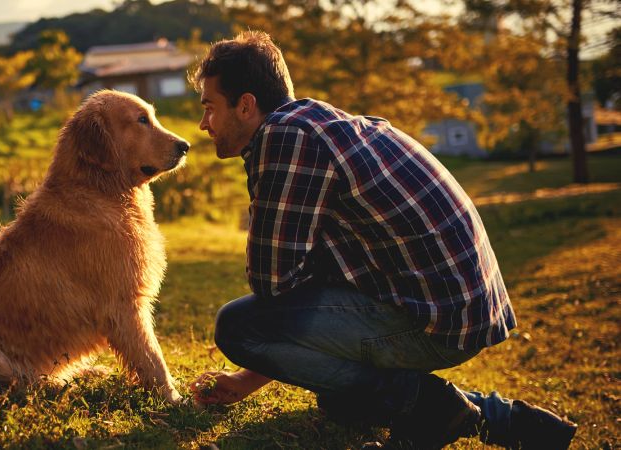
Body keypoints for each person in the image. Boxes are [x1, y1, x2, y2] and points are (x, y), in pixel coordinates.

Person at [187, 31, 577, 450]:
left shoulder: (286, 138)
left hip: (435, 322)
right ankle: (508, 422)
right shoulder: (322, 124)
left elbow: (272, 285)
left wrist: (252, 360)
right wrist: (248, 380)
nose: (203, 124)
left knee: (238, 327)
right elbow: (312, 282)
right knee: (343, 403)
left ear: (245, 105)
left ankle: (427, 406)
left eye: (210, 107)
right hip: (463, 310)